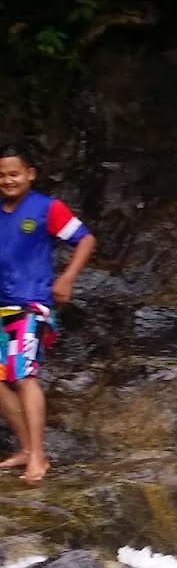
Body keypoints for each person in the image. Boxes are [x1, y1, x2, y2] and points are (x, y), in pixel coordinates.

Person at [0, 143, 95, 484]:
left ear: (30, 174)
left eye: (13, 173)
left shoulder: (46, 208)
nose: (7, 180)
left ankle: (39, 457)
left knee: (24, 375)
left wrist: (67, 278)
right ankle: (26, 448)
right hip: (0, 306)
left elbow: (85, 240)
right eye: (1, 175)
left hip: (31, 304)